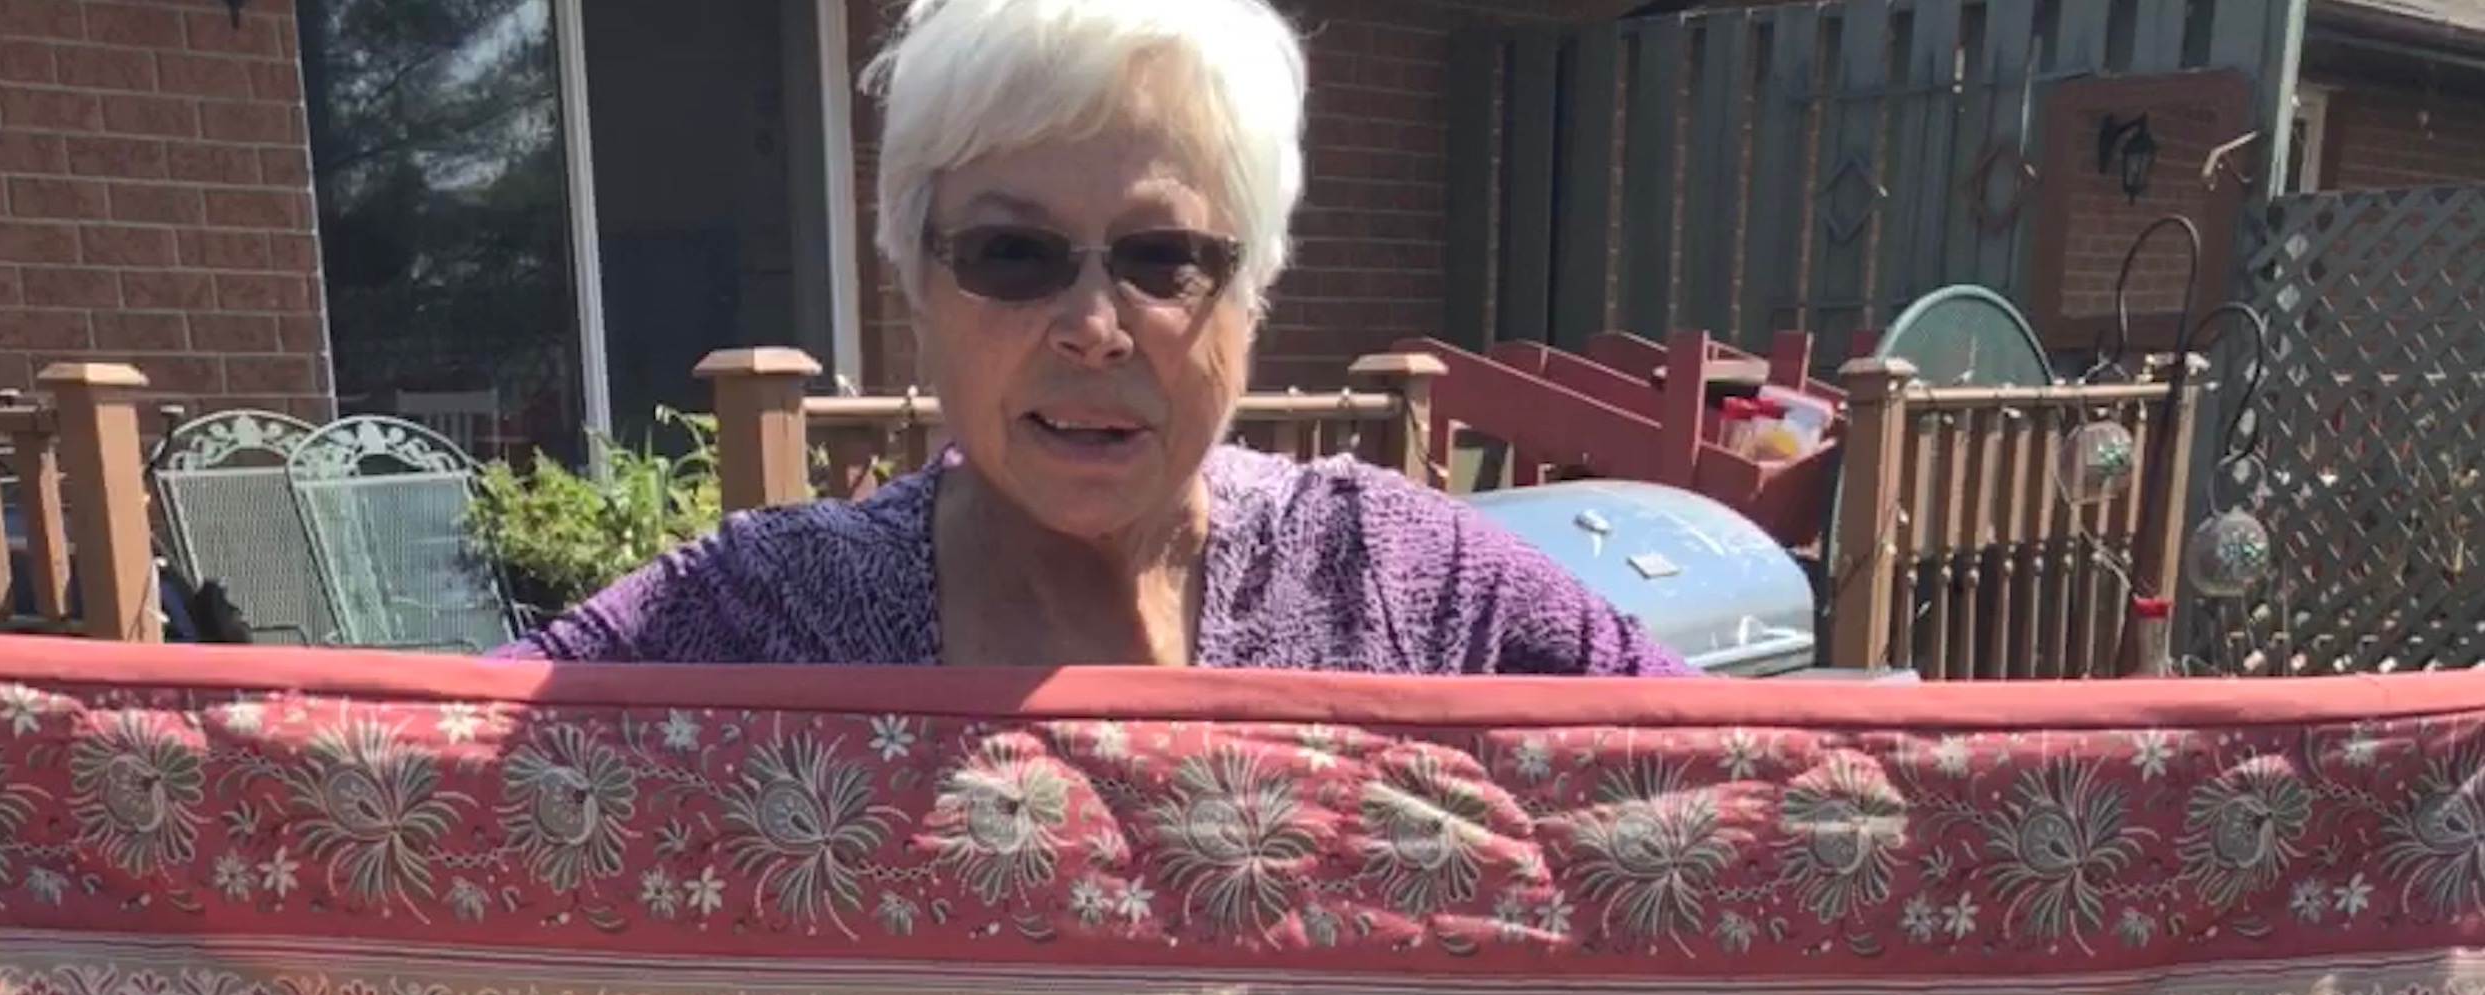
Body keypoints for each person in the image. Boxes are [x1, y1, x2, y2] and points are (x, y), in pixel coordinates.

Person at [522, 0, 1671, 676]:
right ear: (915, 285)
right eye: (1010, 256)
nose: (1088, 327)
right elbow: (407, 780)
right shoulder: (765, 613)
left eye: (1163, 257)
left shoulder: (1408, 585)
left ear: (1253, 290)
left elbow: (1760, 790)